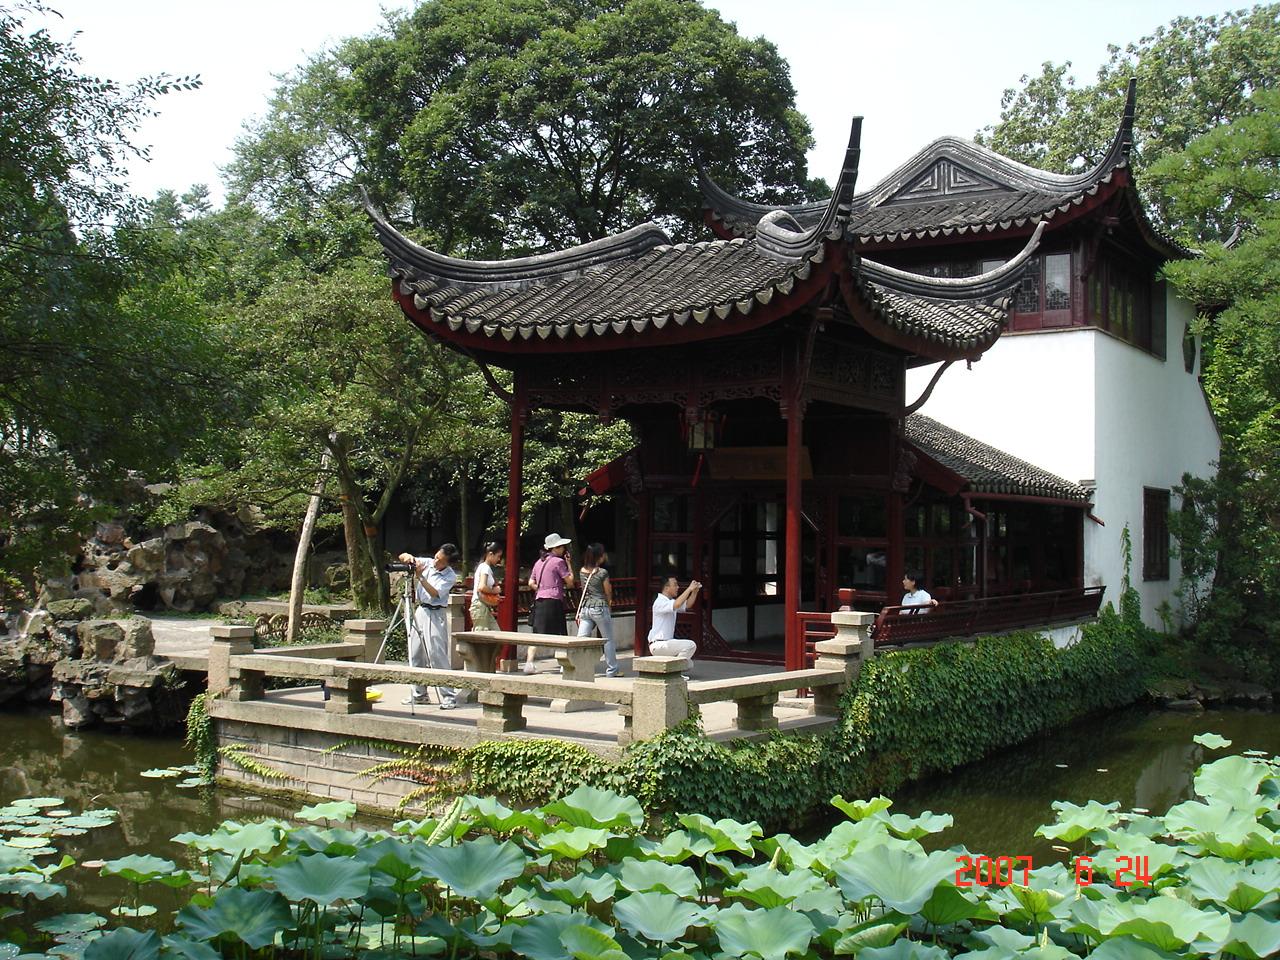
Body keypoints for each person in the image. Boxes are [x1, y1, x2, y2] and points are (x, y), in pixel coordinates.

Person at [397, 543, 460, 708]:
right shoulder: (428, 562)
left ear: (448, 563)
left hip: (436, 613)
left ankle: (449, 696)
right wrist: (409, 558)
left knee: (437, 654)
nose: (436, 561)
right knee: (415, 652)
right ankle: (419, 693)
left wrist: (420, 577)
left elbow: (435, 593)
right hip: (421, 610)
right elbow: (402, 556)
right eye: (436, 556)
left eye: (440, 560)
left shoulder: (450, 576)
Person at [525, 533, 574, 673]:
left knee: (537, 634)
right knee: (560, 633)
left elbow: (530, 582)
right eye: (561, 546)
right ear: (555, 548)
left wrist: (542, 589)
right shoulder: (558, 562)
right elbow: (570, 582)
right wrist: (569, 564)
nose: (563, 549)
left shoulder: (538, 562)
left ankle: (529, 663)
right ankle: (563, 664)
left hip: (540, 600)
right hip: (554, 601)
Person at [576, 543, 619, 677]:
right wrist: (609, 603)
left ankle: (578, 667)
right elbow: (607, 591)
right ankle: (612, 670)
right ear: (599, 556)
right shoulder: (602, 572)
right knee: (607, 639)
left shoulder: (582, 570)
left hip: (585, 608)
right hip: (600, 607)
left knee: (581, 640)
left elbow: (584, 589)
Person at [647, 574, 700, 668]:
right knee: (691, 645)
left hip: (667, 644)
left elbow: (687, 605)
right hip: (659, 644)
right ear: (666, 588)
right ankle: (677, 671)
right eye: (675, 585)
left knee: (689, 664)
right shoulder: (660, 602)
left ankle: (674, 669)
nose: (678, 587)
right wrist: (689, 589)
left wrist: (694, 592)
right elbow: (677, 604)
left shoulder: (670, 601)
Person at [469, 542, 503, 632]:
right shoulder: (485, 568)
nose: (499, 559)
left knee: (495, 633)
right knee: (482, 635)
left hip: (483, 606)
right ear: (490, 554)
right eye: (498, 556)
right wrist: (495, 591)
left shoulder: (484, 567)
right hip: (480, 606)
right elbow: (481, 587)